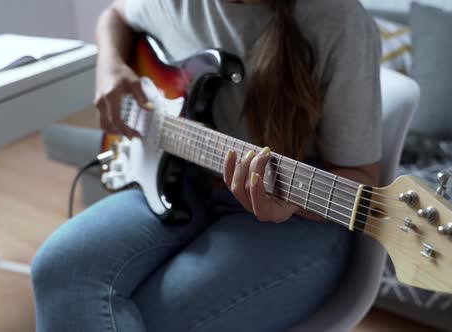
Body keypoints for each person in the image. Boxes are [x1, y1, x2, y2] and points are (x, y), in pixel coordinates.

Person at [31, 0, 381, 331]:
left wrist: (289, 200)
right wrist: (109, 66)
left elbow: (362, 179)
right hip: (179, 182)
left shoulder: (337, 18)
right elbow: (116, 14)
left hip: (300, 218)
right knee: (58, 270)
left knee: (149, 316)